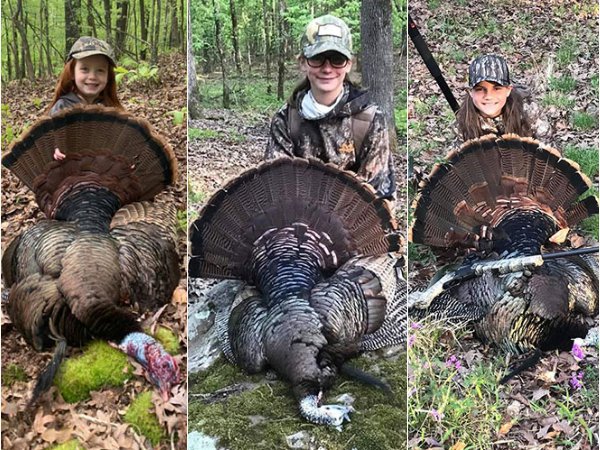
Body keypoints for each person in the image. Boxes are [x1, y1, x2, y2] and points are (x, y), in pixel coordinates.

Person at [265, 15, 396, 201]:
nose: (327, 69)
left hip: (354, 226)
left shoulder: (370, 120)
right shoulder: (285, 120)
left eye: (337, 59)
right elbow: (276, 189)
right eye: (317, 59)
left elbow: (379, 198)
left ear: (349, 64)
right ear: (303, 62)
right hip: (295, 223)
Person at [48, 37, 123, 160]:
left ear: (108, 76)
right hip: (68, 172)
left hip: (102, 173)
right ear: (72, 72)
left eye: (100, 70)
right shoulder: (62, 107)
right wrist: (55, 149)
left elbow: (118, 144)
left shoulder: (110, 108)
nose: (92, 76)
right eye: (85, 69)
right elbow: (48, 142)